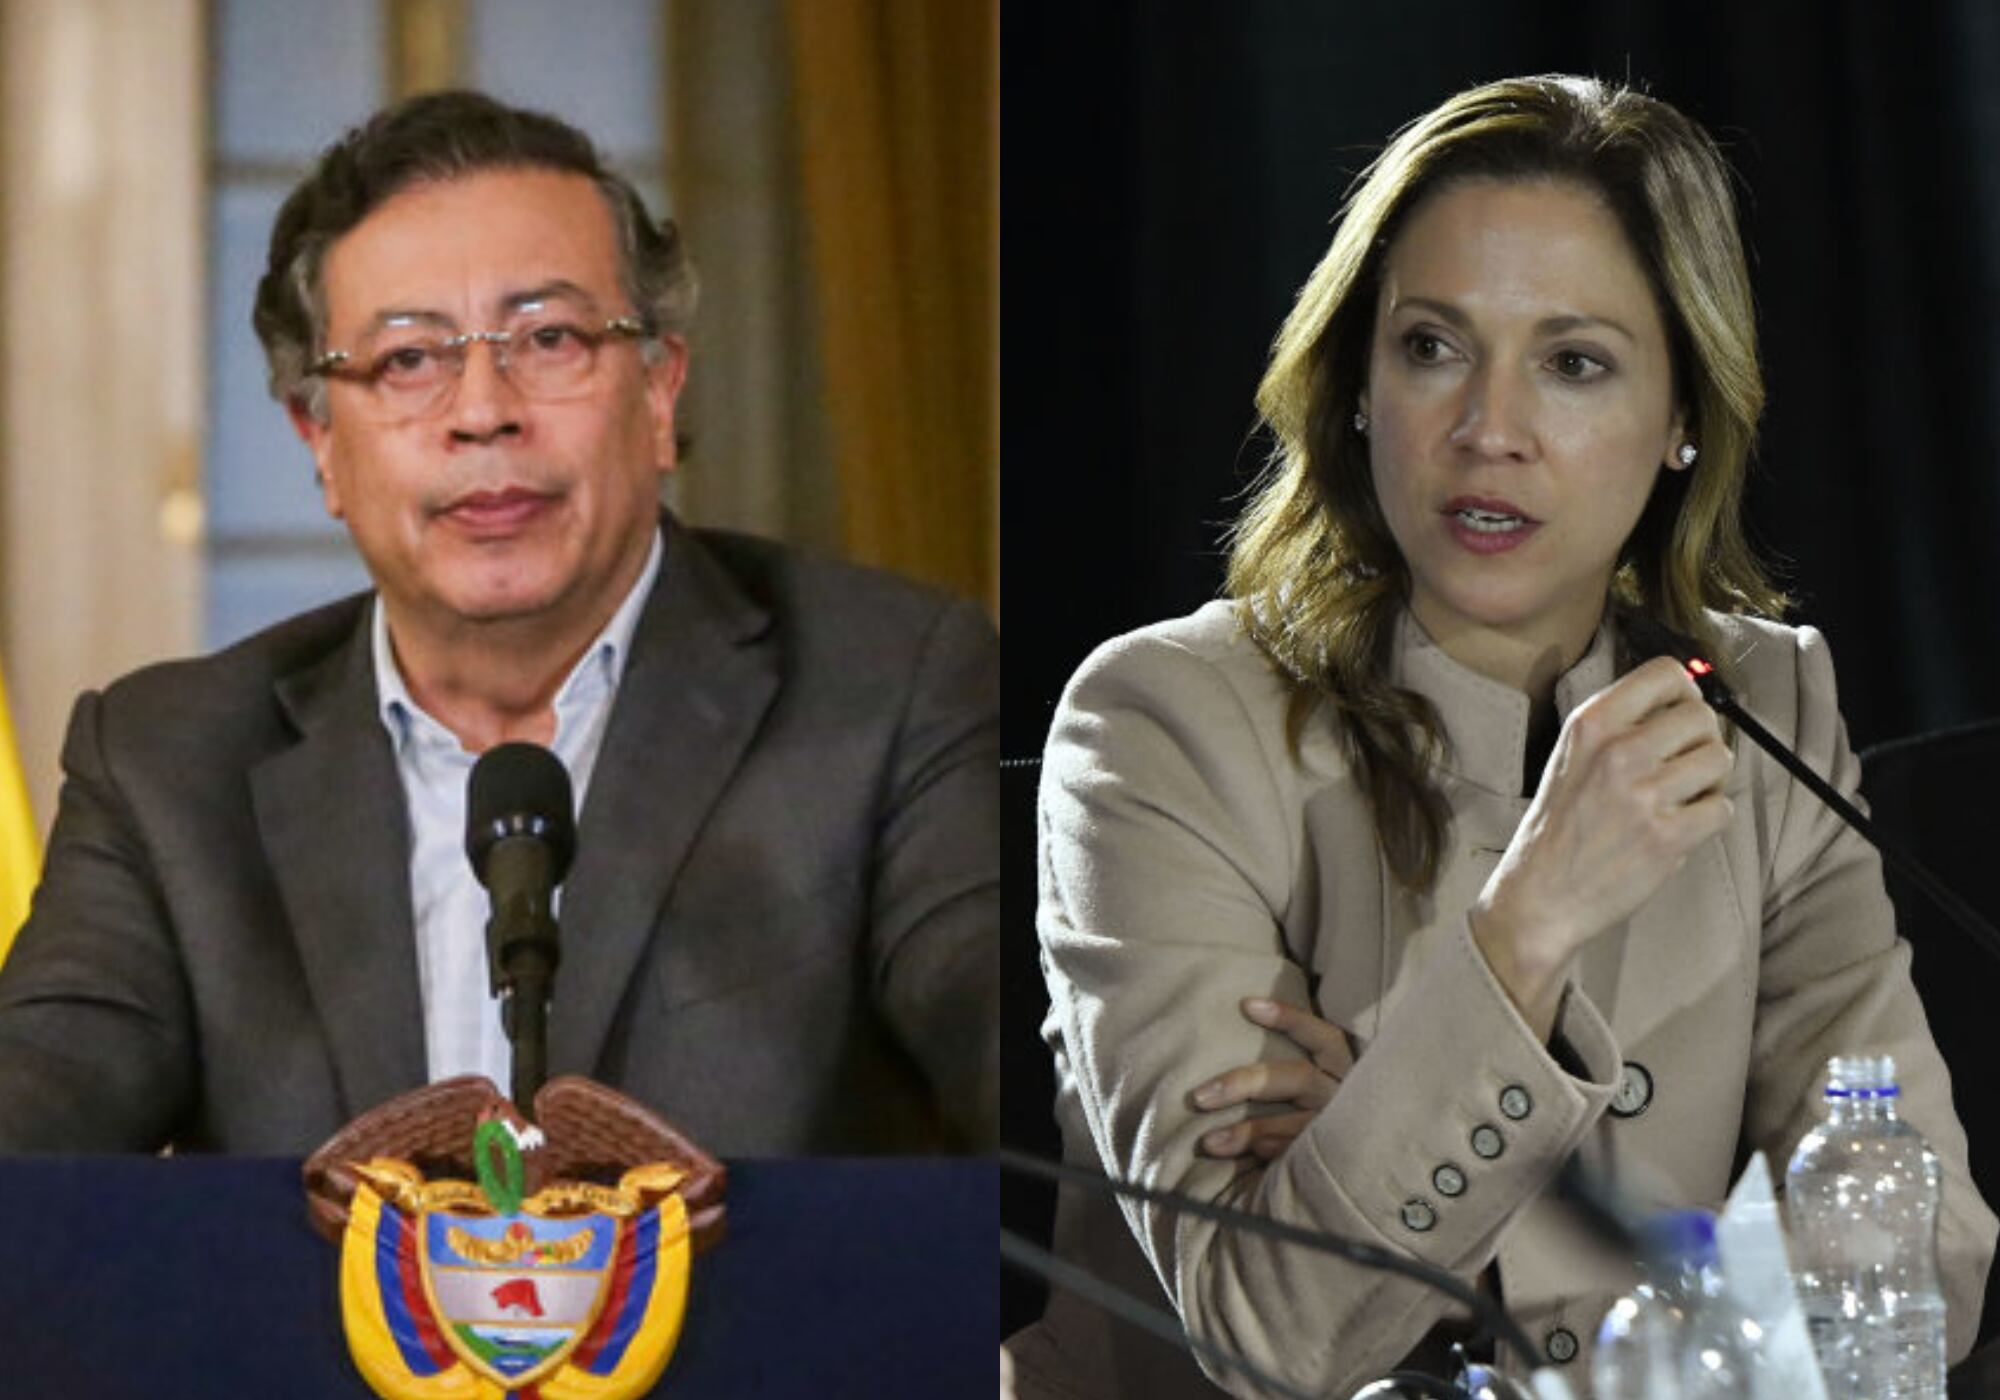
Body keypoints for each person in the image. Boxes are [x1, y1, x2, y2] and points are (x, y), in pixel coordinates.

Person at [1005, 74, 1997, 1397]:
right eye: (1432, 346)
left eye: (1574, 363)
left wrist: (1415, 1151)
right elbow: (1266, 1328)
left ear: (1685, 420)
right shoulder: (1159, 724)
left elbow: (1915, 1253)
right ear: (1357, 381)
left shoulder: (1765, 707)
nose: (1487, 430)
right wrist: (1528, 925)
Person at [0, 91, 998, 1158]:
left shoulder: (891, 692)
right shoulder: (167, 763)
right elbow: (35, 1126)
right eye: (407, 360)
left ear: (659, 389)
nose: (483, 408)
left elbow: (1028, 1069)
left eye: (551, 337)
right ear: (319, 438)